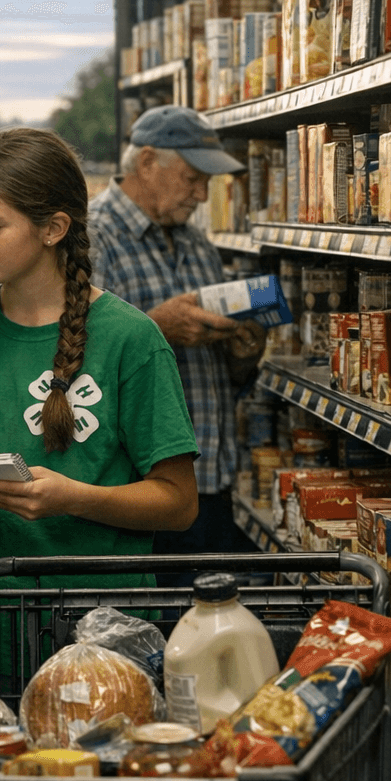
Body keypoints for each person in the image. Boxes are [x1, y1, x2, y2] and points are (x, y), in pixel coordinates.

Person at [0, 127, 200, 634]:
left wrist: (74, 497)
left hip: (104, 631)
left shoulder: (131, 340)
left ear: (53, 228)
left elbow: (178, 503)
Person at [87, 105, 267, 570]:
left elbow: (220, 376)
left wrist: (242, 354)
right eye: (192, 178)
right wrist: (155, 328)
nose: (203, 195)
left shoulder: (197, 244)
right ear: (147, 163)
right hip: (141, 493)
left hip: (211, 481)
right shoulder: (93, 237)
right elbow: (71, 362)